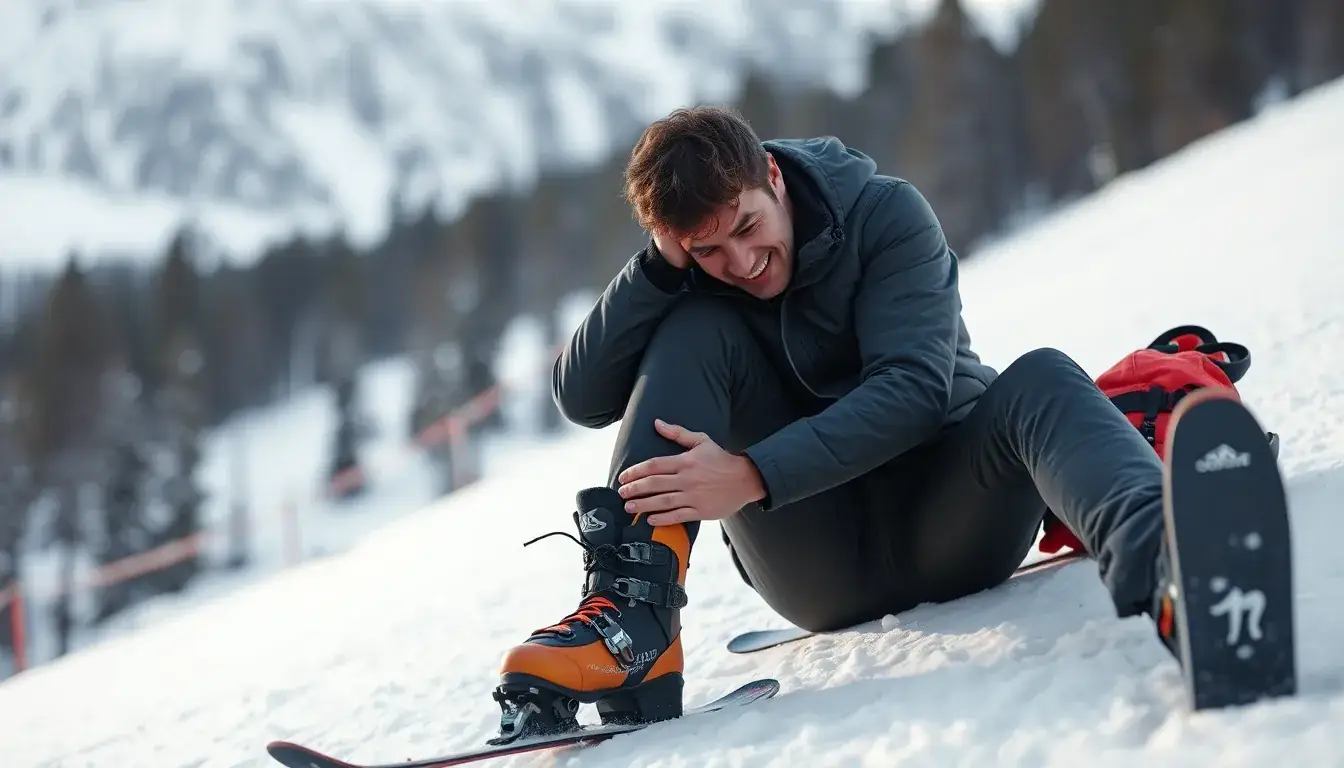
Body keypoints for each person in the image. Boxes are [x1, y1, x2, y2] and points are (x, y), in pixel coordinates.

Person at [490, 105, 1185, 737]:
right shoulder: (690, 274)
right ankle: (635, 629)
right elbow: (581, 398)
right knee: (692, 327)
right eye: (706, 250)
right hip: (815, 564)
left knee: (1043, 375)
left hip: (952, 521)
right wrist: (660, 271)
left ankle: (1173, 569)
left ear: (772, 175)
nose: (741, 263)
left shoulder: (886, 215)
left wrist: (753, 473)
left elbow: (913, 391)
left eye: (746, 226)